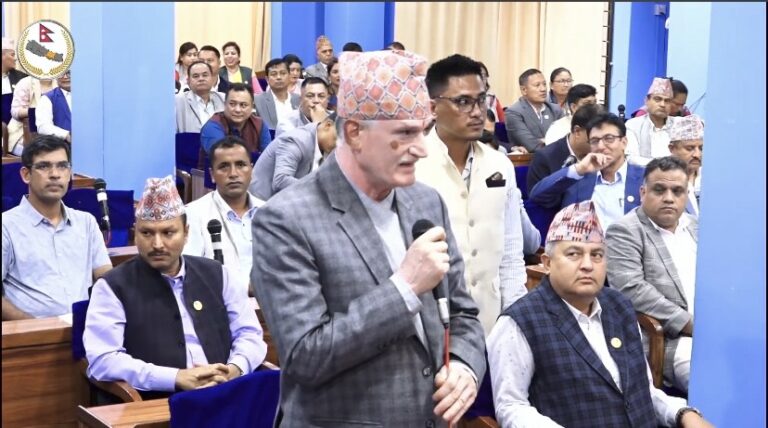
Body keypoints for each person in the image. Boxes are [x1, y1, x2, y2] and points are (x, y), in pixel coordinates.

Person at [252, 49, 486, 427]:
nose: (421, 149)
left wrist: (464, 365)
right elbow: (305, 357)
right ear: (355, 133)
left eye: (422, 130)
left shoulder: (426, 202)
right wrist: (405, 288)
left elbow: (461, 313)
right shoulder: (285, 219)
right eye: (404, 133)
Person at [488, 200, 713, 428]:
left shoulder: (620, 306)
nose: (587, 265)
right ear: (547, 263)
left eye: (597, 255)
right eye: (574, 254)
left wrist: (683, 413)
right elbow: (511, 406)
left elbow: (643, 392)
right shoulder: (519, 322)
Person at [83, 175, 267, 398]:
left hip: (227, 392)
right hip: (160, 402)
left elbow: (249, 334)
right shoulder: (112, 287)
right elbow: (103, 359)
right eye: (147, 233)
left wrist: (234, 369)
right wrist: (175, 377)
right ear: (135, 233)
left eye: (168, 232)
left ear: (186, 233)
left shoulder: (218, 274)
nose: (157, 244)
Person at [417, 53, 527, 335]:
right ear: (433, 107)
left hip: (490, 319)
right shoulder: (413, 165)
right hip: (431, 323)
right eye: (463, 102)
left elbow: (511, 250)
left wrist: (515, 317)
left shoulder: (500, 165)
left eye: (481, 100)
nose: (477, 112)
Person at [605, 156, 698, 394]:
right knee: (713, 382)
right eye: (659, 190)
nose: (669, 198)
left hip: (716, 329)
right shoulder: (624, 231)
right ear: (642, 192)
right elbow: (632, 290)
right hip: (672, 338)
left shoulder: (698, 227)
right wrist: (690, 324)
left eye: (677, 191)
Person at [2, 135, 112, 319]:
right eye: (44, 166)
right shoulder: (6, 226)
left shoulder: (86, 222)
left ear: (69, 173)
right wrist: (34, 328)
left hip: (85, 329)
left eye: (62, 166)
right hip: (29, 333)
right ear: (26, 175)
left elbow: (104, 274)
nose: (55, 174)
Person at [529, 112, 644, 231]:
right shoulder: (578, 177)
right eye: (595, 141)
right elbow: (537, 196)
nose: (601, 146)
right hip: (583, 241)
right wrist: (578, 169)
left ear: (624, 142)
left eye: (609, 139)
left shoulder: (644, 177)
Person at [184, 136, 264, 286]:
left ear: (251, 170)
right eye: (224, 166)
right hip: (217, 298)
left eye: (240, 165)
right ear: (212, 175)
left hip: (267, 298)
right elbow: (191, 273)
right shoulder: (194, 214)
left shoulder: (268, 213)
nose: (233, 173)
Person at [249, 114, 337, 200]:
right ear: (328, 125)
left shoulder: (325, 146)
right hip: (261, 202)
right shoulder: (297, 141)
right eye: (337, 138)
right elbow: (281, 180)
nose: (339, 145)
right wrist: (317, 190)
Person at [528, 103, 602, 194]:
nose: (601, 145)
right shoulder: (545, 158)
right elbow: (538, 198)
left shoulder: (605, 154)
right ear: (577, 131)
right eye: (595, 139)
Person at [200, 83, 271, 156]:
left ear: (252, 107)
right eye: (232, 104)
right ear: (225, 104)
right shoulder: (213, 126)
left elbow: (269, 157)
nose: (237, 110)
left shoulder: (259, 124)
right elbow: (224, 157)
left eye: (243, 105)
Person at [504, 68, 564, 153]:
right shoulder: (514, 112)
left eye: (544, 84)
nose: (543, 89)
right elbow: (531, 145)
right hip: (530, 159)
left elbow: (566, 139)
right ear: (524, 90)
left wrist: (543, 140)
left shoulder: (555, 109)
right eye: (537, 85)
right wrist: (551, 141)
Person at [625, 77, 676, 159]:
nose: (662, 104)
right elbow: (631, 158)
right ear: (646, 101)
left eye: (667, 101)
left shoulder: (678, 125)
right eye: (657, 99)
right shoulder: (633, 125)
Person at [7, 75, 57, 155]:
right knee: (41, 155)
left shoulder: (61, 82)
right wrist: (38, 111)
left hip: (54, 133)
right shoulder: (25, 82)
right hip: (22, 134)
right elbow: (15, 111)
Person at [667, 114, 704, 217]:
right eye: (689, 148)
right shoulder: (662, 178)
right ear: (672, 148)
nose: (697, 155)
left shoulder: (711, 177)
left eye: (701, 148)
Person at [175, 61, 225, 133]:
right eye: (196, 76)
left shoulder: (223, 99)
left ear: (212, 78)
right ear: (188, 81)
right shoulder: (178, 101)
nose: (201, 79)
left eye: (205, 75)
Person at [253, 58, 300, 130]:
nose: (279, 77)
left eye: (283, 73)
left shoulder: (299, 100)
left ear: (289, 76)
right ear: (267, 79)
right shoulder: (257, 101)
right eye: (274, 74)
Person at [36, 70, 72, 142]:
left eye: (69, 73)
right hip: (62, 144)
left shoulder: (87, 95)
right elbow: (43, 127)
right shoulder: (47, 98)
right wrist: (66, 135)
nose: (65, 77)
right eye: (61, 74)